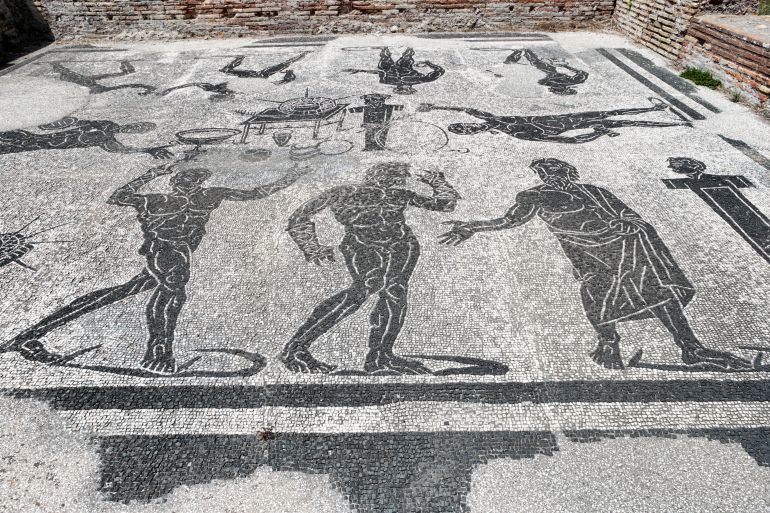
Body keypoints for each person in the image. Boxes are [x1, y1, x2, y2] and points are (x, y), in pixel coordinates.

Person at [438, 158, 754, 371]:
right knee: (596, 291)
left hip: (624, 247)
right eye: (546, 172)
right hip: (587, 253)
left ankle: (691, 349)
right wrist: (473, 226)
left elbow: (629, 214)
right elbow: (509, 221)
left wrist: (630, 225)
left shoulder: (595, 191)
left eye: (558, 170)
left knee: (659, 292)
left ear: (569, 172)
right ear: (541, 176)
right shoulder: (534, 196)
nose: (553, 175)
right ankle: (608, 344)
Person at [3, 163, 310, 374]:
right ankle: (159, 349)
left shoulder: (209, 196)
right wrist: (150, 173)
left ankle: (32, 333)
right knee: (173, 292)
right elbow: (117, 197)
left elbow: (255, 193)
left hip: (179, 251)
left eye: (196, 181)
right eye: (185, 181)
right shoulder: (154, 200)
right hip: (163, 250)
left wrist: (292, 176)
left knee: (119, 292)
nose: (191, 185)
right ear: (174, 182)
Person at [281, 162, 459, 374]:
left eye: (399, 179)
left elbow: (445, 204)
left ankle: (381, 356)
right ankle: (296, 348)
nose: (396, 183)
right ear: (375, 177)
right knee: (364, 288)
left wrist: (438, 182)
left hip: (402, 243)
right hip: (362, 243)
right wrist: (311, 246)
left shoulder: (400, 195)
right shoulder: (344, 192)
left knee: (396, 292)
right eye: (393, 178)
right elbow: (299, 216)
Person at [417, 98, 690, 144]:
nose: (469, 126)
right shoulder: (516, 135)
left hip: (565, 116)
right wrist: (597, 135)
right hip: (571, 125)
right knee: (620, 123)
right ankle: (677, 124)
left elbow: (467, 108)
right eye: (466, 130)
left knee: (616, 112)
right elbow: (562, 140)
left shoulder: (495, 119)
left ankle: (654, 108)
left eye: (464, 126)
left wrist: (436, 106)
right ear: (472, 134)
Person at [0, 117, 172, 158]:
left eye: (139, 130)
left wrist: (148, 150)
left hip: (41, 144)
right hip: (37, 136)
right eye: (138, 125)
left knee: (9, 148)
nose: (135, 128)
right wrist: (59, 124)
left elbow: (120, 149)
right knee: (13, 135)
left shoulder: (107, 139)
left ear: (135, 133)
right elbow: (79, 121)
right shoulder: (107, 125)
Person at [343, 47, 445, 95]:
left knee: (384, 64)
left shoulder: (387, 81)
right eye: (406, 90)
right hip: (405, 67)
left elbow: (380, 72)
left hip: (390, 67)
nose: (403, 89)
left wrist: (361, 70)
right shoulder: (419, 80)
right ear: (411, 89)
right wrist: (428, 63)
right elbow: (440, 71)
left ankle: (386, 51)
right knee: (403, 62)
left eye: (401, 90)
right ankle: (406, 53)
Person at [505, 49, 588, 95]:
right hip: (550, 71)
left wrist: (566, 67)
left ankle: (521, 53)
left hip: (549, 72)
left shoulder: (572, 81)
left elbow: (583, 74)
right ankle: (522, 53)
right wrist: (565, 66)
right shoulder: (574, 81)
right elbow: (584, 74)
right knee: (537, 63)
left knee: (537, 63)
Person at [51, 61, 156, 95]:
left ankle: (126, 71)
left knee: (114, 78)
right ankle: (125, 70)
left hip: (87, 83)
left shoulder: (67, 78)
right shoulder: (67, 78)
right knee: (114, 78)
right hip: (86, 83)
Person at [220, 52, 310, 82]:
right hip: (258, 75)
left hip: (257, 75)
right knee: (286, 63)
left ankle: (240, 58)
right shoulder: (269, 76)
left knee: (226, 70)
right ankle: (302, 55)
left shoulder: (271, 78)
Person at [159, 82, 236, 102]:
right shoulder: (209, 87)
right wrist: (171, 89)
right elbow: (195, 84)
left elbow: (194, 84)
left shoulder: (209, 88)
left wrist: (171, 89)